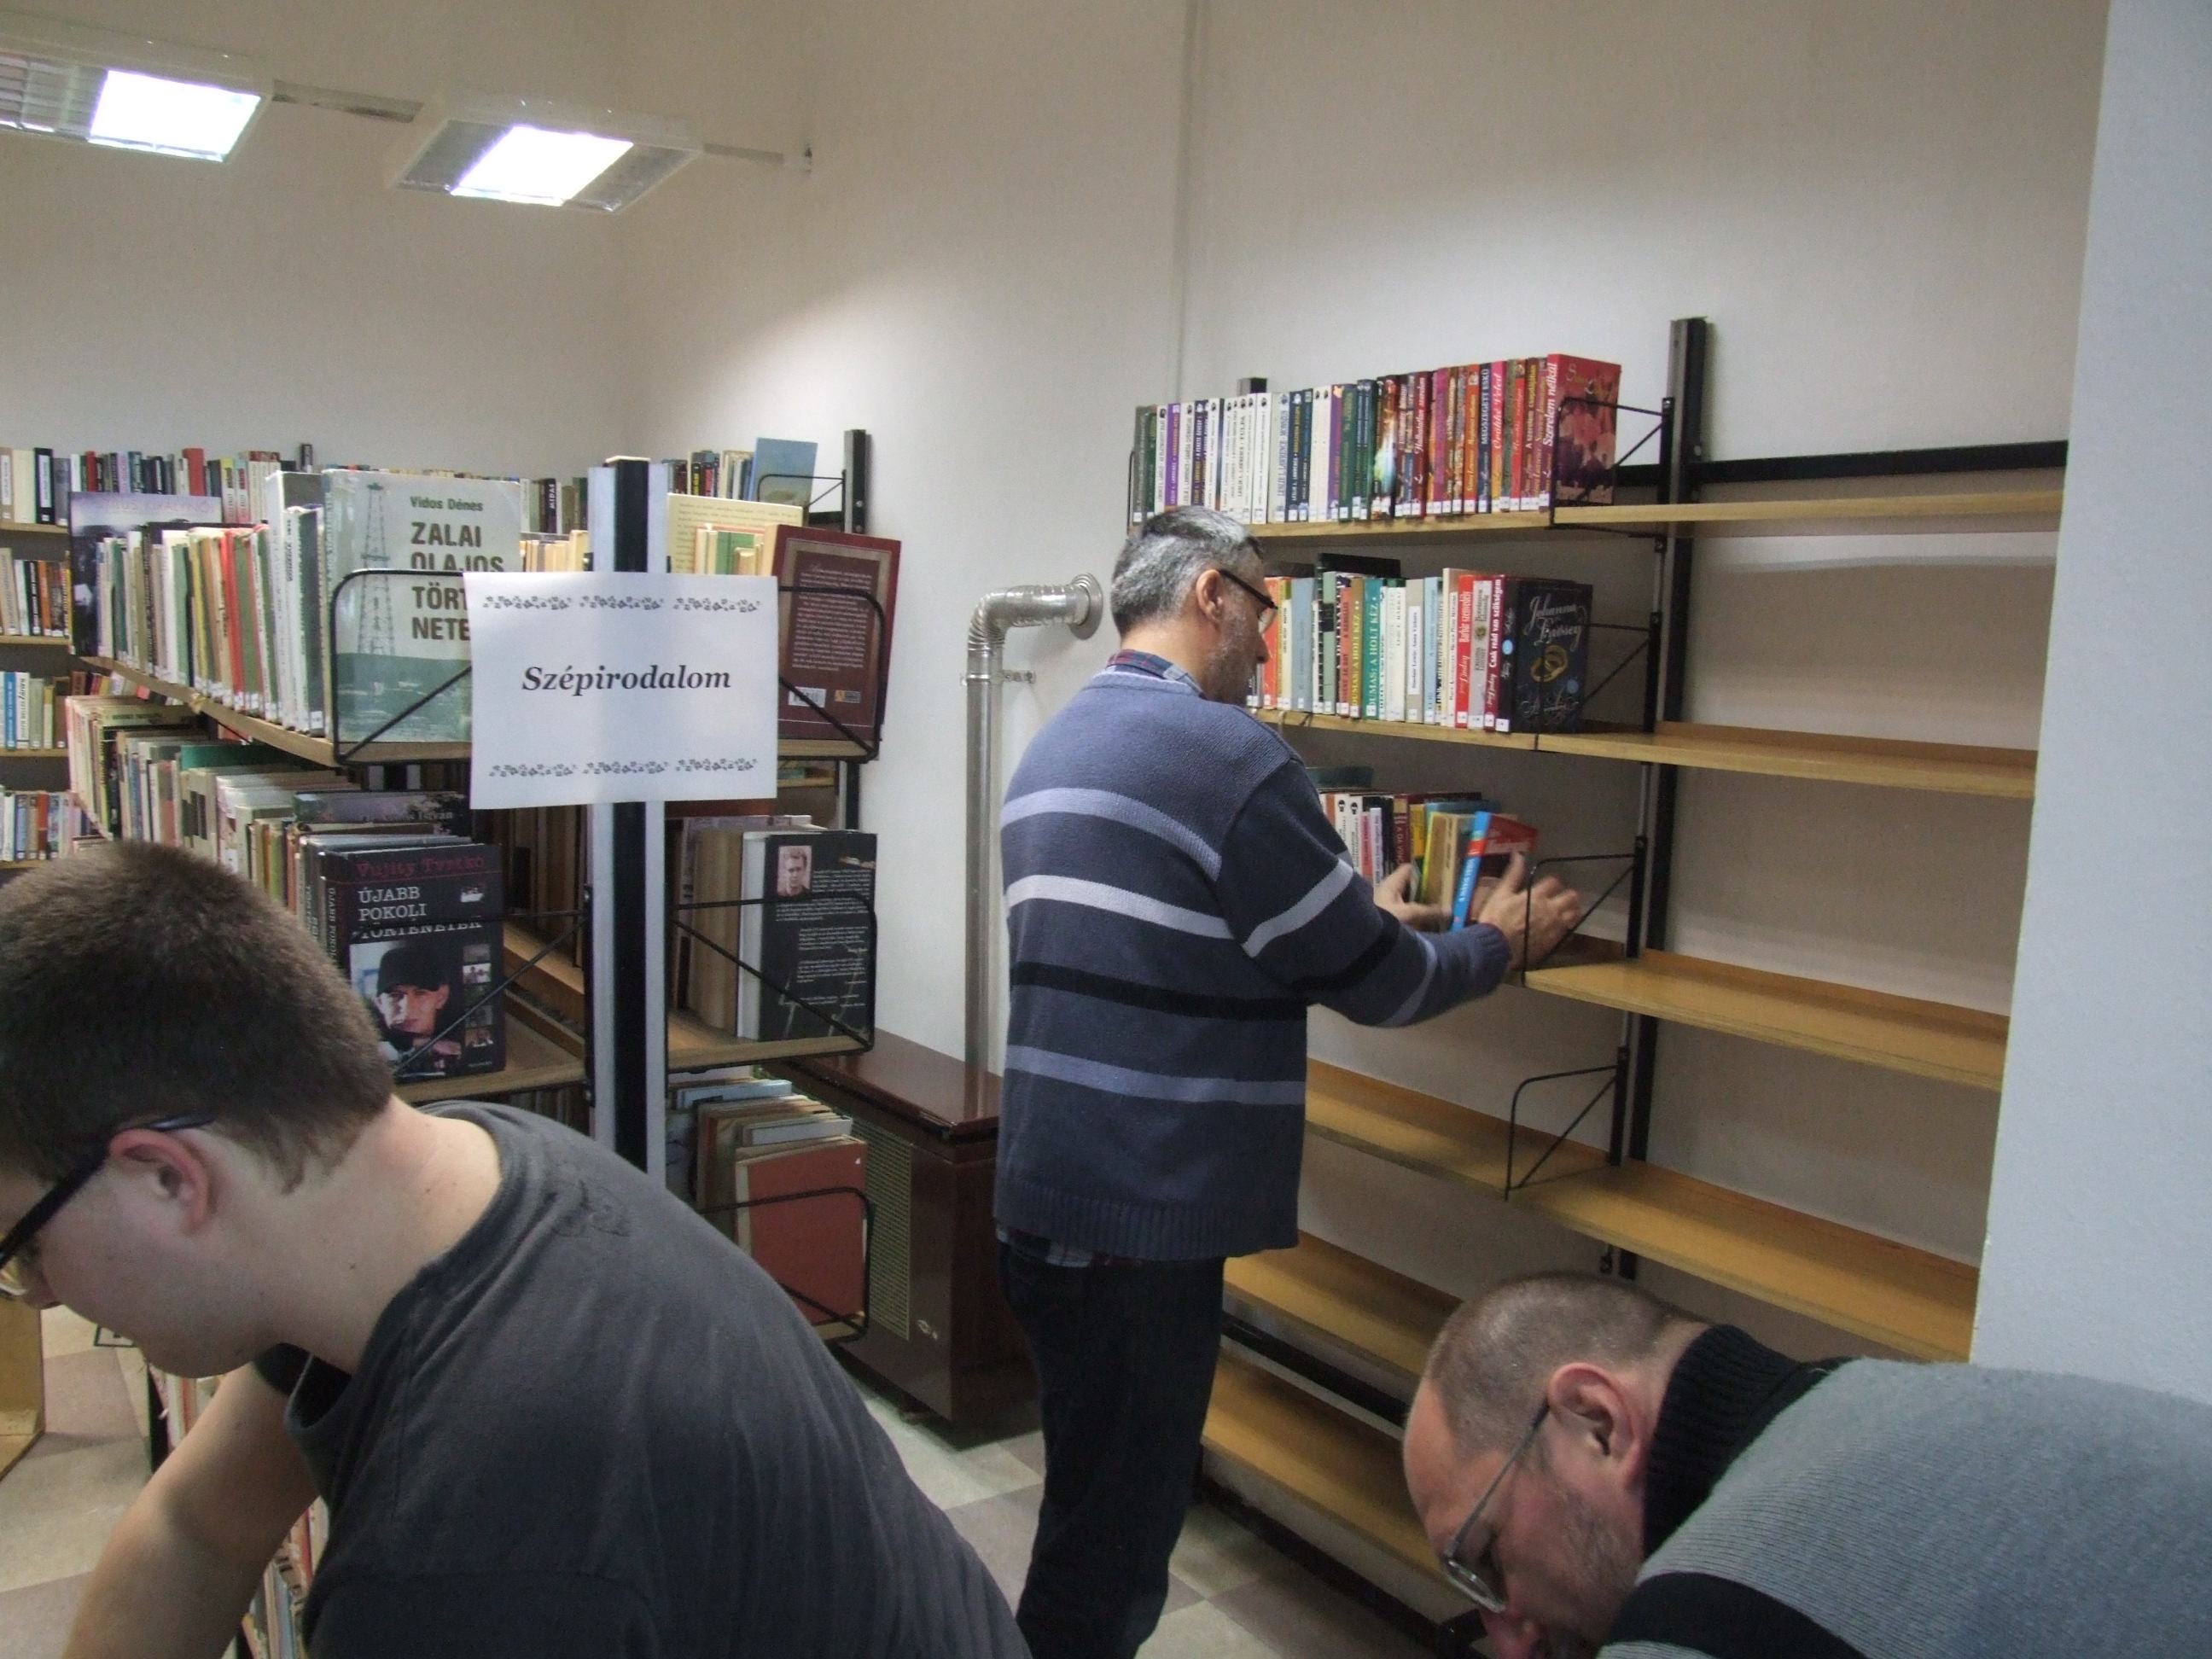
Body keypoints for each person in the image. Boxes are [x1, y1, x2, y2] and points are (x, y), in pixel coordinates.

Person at [0, 841, 1025, 1659]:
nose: (37, 1297)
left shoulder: (456, 1565)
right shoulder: (450, 1174)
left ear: (169, 1178)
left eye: (23, 1245)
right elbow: (197, 1525)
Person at [994, 504, 1586, 1659]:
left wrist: (1358, 915)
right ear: (1212, 596)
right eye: (1266, 608)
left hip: (1046, 1203)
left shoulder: (1058, 744)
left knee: (1084, 1511)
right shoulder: (1229, 757)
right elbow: (1379, 988)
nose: (1270, 643)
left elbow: (1178, 941)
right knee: (1107, 1565)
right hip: (1139, 1232)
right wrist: (1497, 945)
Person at [1402, 1272, 2212, 1658]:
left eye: (1486, 1560)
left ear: (1598, 1421)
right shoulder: (1885, 1404)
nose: (1510, 1639)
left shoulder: (1708, 1621)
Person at [366, 935, 465, 1071]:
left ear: (441, 997)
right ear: (379, 1003)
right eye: (395, 995)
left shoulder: (460, 1024)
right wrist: (425, 1044)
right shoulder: (364, 1029)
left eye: (420, 993)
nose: (407, 1009)